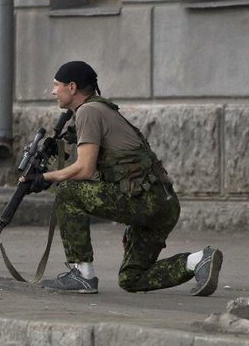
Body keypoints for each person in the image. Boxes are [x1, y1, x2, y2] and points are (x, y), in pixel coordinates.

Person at [23, 61, 223, 296]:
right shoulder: (102, 110)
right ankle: (198, 261)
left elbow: (84, 169)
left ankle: (82, 274)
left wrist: (45, 177)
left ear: (72, 87)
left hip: (145, 201)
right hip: (163, 204)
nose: (53, 91)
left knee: (67, 190)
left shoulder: (88, 111)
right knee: (132, 278)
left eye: (56, 85)